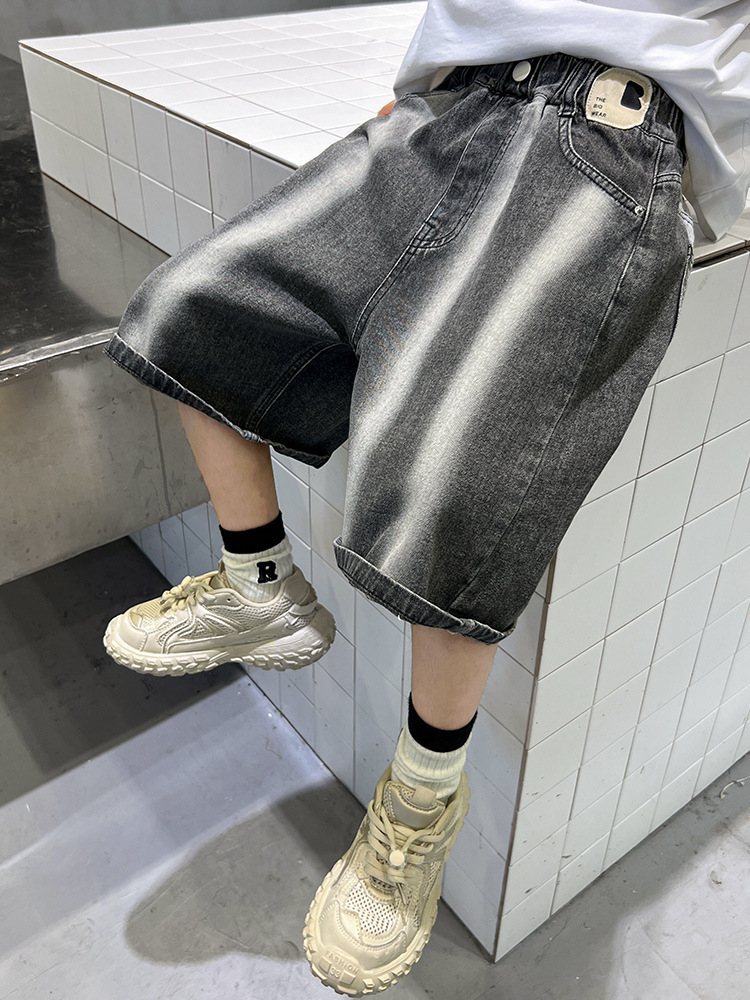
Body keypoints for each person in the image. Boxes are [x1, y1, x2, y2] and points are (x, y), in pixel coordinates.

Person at [102, 1, 750, 993]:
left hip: (611, 145)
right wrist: (421, 84)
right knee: (195, 309)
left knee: (456, 487)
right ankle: (258, 584)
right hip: (452, 112)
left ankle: (418, 806)